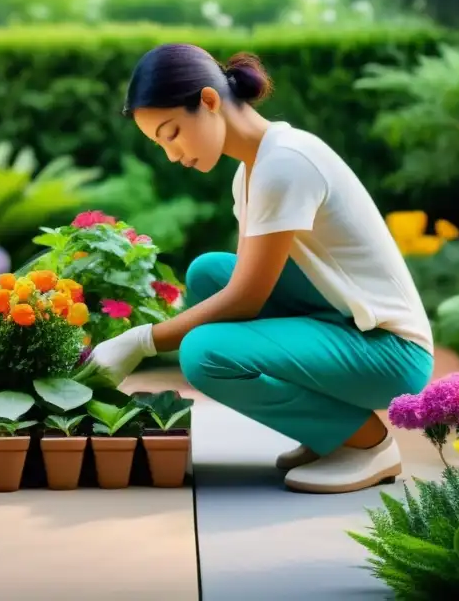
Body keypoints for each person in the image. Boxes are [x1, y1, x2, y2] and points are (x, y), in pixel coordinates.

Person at [84, 43, 435, 494]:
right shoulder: (253, 169)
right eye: (160, 143)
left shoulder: (284, 164)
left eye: (172, 133)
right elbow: (247, 290)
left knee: (204, 353)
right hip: (350, 325)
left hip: (391, 354)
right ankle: (330, 432)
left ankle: (366, 444)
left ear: (209, 102)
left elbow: (247, 298)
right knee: (209, 273)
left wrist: (141, 341)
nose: (172, 154)